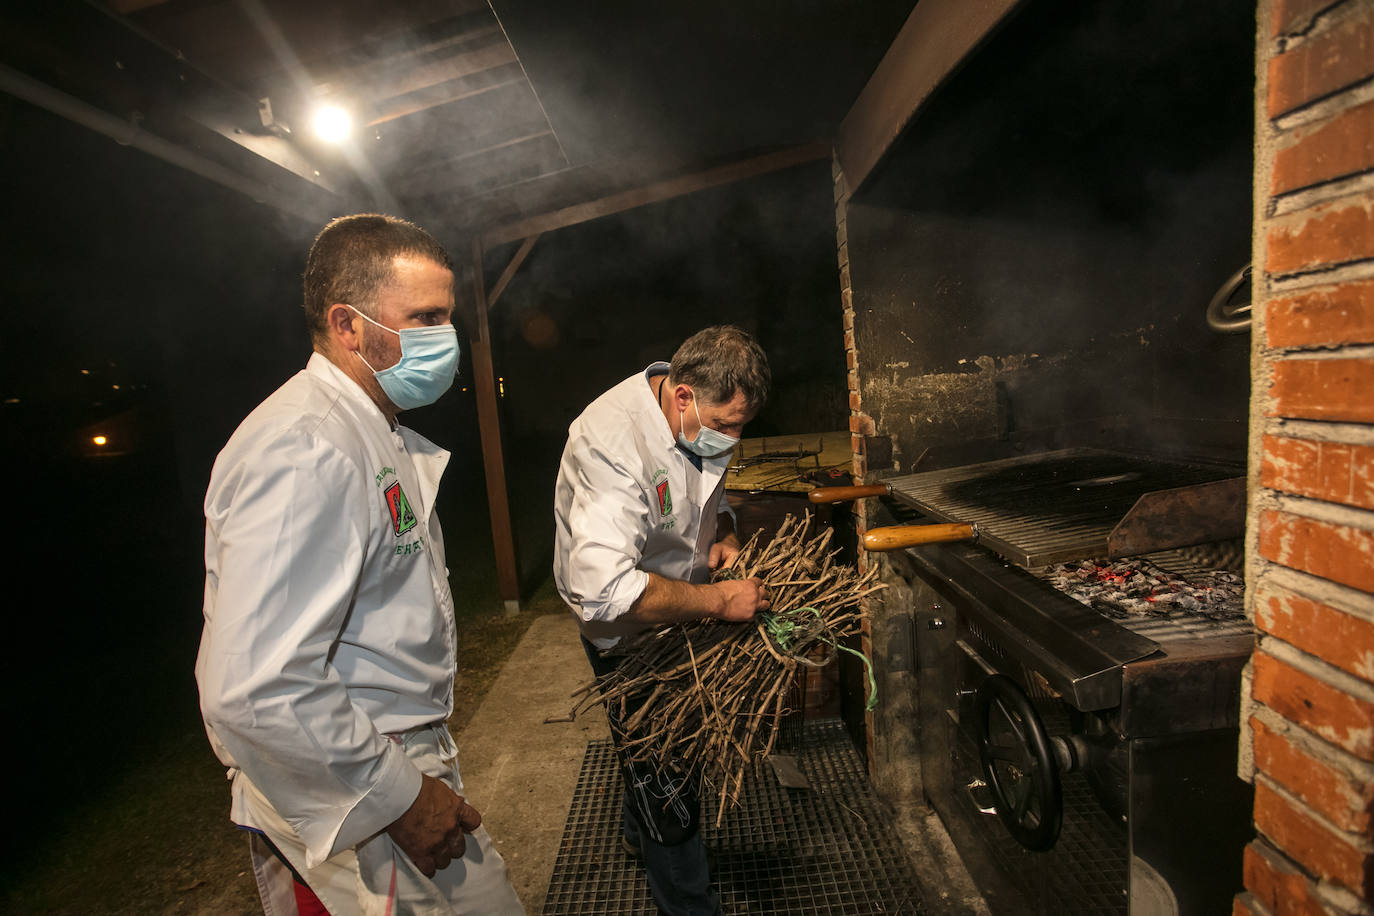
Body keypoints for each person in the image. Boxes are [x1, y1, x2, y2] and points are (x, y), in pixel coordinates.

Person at [196, 214, 523, 915]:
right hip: (357, 776)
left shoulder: (367, 427)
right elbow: (255, 686)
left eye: (448, 318)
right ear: (347, 324)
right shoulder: (305, 446)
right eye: (426, 317)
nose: (446, 339)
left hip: (374, 758)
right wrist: (399, 798)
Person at [553, 325, 773, 915]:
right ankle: (688, 904)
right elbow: (604, 592)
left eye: (740, 427)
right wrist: (722, 601)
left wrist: (722, 532)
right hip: (627, 633)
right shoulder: (610, 443)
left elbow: (709, 497)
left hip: (685, 610)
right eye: (725, 426)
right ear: (682, 397)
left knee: (649, 744)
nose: (731, 440)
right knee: (667, 772)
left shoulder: (699, 422)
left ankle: (635, 831)